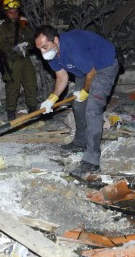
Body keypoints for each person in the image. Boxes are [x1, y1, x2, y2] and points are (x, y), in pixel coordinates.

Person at [34, 25, 119, 179]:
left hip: (104, 66)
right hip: (84, 70)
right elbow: (62, 77)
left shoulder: (73, 48)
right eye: (39, 49)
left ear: (56, 40)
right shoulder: (52, 54)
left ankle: (92, 160)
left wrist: (85, 91)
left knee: (92, 109)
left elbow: (91, 73)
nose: (43, 52)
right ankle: (80, 142)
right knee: (78, 105)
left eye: (45, 47)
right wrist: (51, 99)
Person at [0, 0, 37, 120]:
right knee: (13, 86)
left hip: (25, 56)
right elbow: (2, 45)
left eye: (16, 12)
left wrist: (26, 45)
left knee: (31, 83)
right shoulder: (1, 26)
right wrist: (17, 48)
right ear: (6, 12)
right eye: (11, 12)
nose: (13, 15)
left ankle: (32, 109)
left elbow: (33, 39)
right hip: (11, 59)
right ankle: (11, 111)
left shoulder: (23, 22)